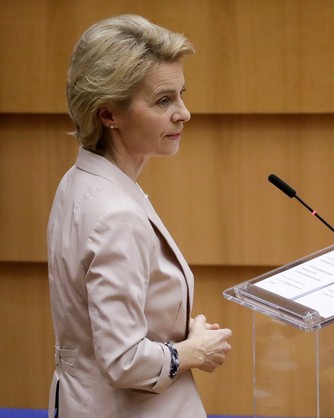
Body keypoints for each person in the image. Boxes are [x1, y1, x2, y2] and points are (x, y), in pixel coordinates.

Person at [47, 14, 232, 417]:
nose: (184, 113)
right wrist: (194, 350)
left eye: (182, 94)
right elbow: (124, 360)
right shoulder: (116, 213)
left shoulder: (79, 180)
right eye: (164, 101)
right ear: (108, 114)